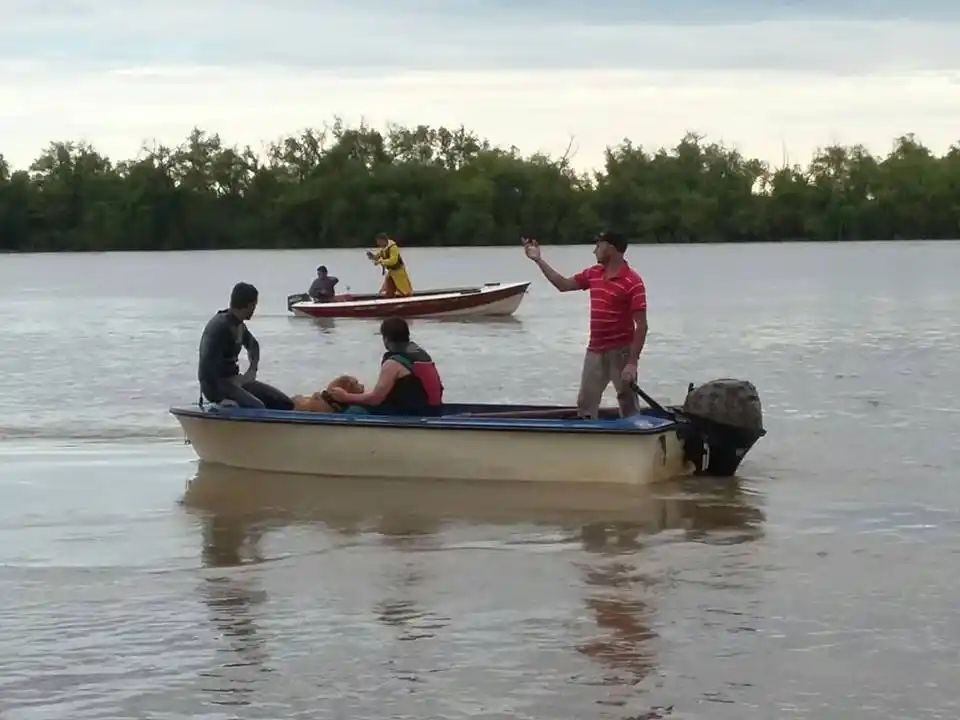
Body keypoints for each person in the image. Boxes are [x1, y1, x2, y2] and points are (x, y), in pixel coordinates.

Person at [522, 230, 647, 419]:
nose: (594, 250)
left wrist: (632, 363)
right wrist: (538, 260)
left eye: (598, 245)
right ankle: (589, 437)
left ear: (610, 248)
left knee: (627, 401)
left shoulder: (633, 282)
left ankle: (635, 438)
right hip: (595, 350)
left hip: (621, 352)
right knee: (585, 402)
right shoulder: (593, 273)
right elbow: (563, 285)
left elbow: (642, 326)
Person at [197, 282, 295, 410]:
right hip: (217, 385)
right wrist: (219, 399)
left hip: (235, 381)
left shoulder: (239, 325)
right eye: (254, 305)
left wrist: (252, 370)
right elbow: (205, 367)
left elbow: (253, 346)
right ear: (249, 305)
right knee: (258, 407)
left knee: (284, 403)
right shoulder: (219, 327)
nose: (255, 309)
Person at [327, 316, 443, 416]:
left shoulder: (393, 363)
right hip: (433, 411)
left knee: (353, 411)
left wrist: (345, 397)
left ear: (386, 339)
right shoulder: (420, 354)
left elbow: (375, 399)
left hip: (410, 415)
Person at [366, 232, 413, 297]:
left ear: (383, 240)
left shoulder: (393, 248)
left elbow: (393, 261)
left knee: (405, 290)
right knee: (388, 290)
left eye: (379, 241)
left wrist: (381, 261)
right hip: (391, 273)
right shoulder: (383, 249)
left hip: (399, 272)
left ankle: (408, 300)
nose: (378, 243)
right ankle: (389, 300)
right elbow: (377, 257)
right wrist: (373, 257)